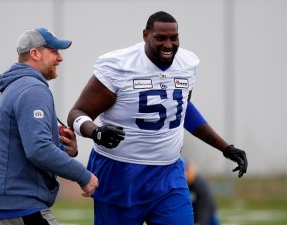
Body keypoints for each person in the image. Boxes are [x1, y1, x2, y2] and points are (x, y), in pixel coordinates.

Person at [67, 11, 247, 225]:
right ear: (145, 35)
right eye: (160, 38)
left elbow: (182, 109)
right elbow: (76, 114)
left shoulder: (187, 64)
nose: (168, 44)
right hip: (120, 173)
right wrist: (95, 132)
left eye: (174, 37)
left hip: (168, 173)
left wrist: (225, 147)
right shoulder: (119, 66)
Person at [0, 28, 98, 225]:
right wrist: (83, 176)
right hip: (18, 204)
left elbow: (23, 146)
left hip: (0, 203)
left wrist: (65, 149)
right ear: (35, 54)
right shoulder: (33, 89)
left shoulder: (15, 86)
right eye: (54, 51)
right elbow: (38, 149)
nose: (60, 58)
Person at [185, 159, 220, 225]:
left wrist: (201, 222)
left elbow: (204, 206)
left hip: (209, 215)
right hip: (196, 215)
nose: (185, 175)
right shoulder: (185, 185)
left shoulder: (200, 185)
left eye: (187, 171)